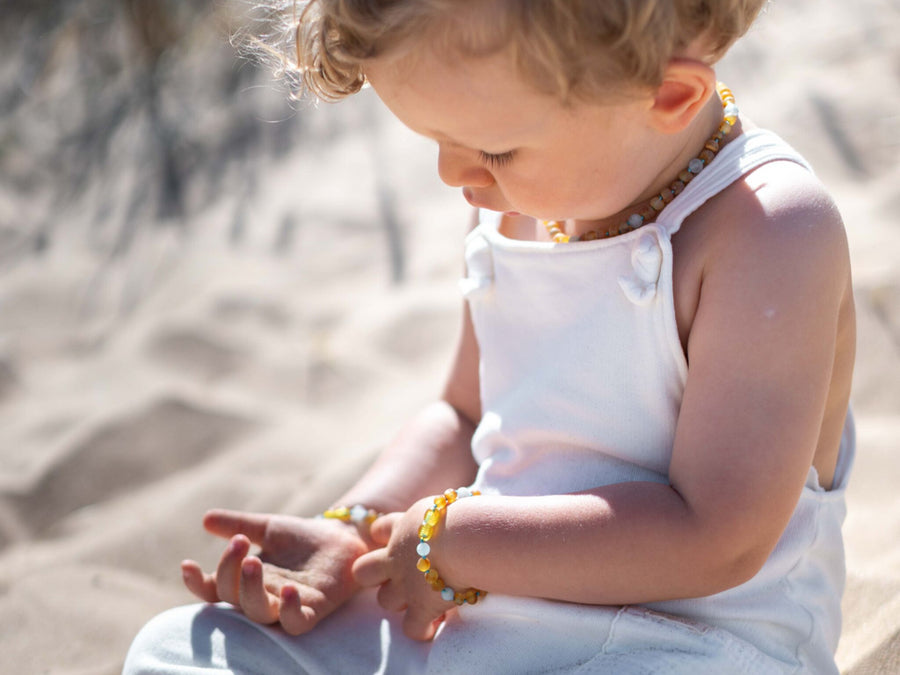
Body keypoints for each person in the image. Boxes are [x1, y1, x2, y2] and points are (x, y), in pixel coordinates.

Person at [123, 0, 857, 672]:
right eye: (438, 140)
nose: (454, 174)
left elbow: (718, 535)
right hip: (478, 616)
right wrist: (357, 527)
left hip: (686, 641)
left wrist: (457, 542)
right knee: (179, 648)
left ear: (669, 97)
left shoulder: (768, 232)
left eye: (494, 150)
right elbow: (465, 415)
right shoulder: (516, 204)